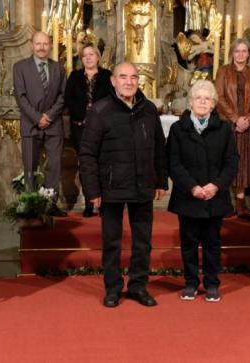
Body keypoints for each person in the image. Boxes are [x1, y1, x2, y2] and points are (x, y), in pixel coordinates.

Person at [78, 62, 168, 308]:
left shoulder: (148, 109)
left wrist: (160, 180)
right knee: (112, 241)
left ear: (139, 81)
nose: (129, 82)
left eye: (133, 77)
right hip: (111, 187)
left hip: (142, 185)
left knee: (143, 242)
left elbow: (160, 148)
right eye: (123, 77)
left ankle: (138, 286)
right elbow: (86, 154)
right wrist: (92, 191)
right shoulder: (100, 110)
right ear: (113, 81)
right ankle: (113, 288)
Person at [167, 80, 238, 302]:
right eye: (198, 98)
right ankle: (190, 283)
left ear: (213, 103)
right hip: (189, 196)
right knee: (188, 243)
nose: (202, 102)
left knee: (212, 243)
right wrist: (193, 187)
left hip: (214, 196)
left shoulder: (224, 129)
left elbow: (231, 162)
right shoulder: (178, 129)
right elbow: (173, 163)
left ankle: (212, 283)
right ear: (190, 102)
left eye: (207, 98)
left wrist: (215, 185)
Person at [13, 31, 67, 216]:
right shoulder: (20, 67)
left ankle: (51, 204)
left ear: (50, 45)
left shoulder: (59, 68)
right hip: (30, 124)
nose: (42, 47)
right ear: (31, 45)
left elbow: (62, 96)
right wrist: (37, 118)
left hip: (53, 125)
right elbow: (20, 97)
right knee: (30, 166)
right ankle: (31, 204)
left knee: (54, 166)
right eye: (38, 44)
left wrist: (49, 116)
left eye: (45, 43)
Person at [64, 44, 113, 217]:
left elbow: (111, 99)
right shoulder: (75, 76)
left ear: (98, 57)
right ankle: (89, 202)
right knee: (86, 165)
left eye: (91, 54)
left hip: (102, 126)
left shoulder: (107, 76)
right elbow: (68, 98)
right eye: (85, 55)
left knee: (102, 163)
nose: (88, 58)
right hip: (80, 126)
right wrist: (82, 112)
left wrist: (97, 113)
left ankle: (103, 202)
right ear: (82, 59)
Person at [214, 39, 250, 218]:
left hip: (248, 126)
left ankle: (240, 204)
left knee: (244, 164)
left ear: (249, 54)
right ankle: (226, 203)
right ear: (232, 53)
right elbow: (219, 97)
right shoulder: (223, 71)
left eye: (244, 51)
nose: (240, 54)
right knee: (228, 162)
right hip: (228, 125)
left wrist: (248, 119)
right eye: (237, 51)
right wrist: (235, 119)